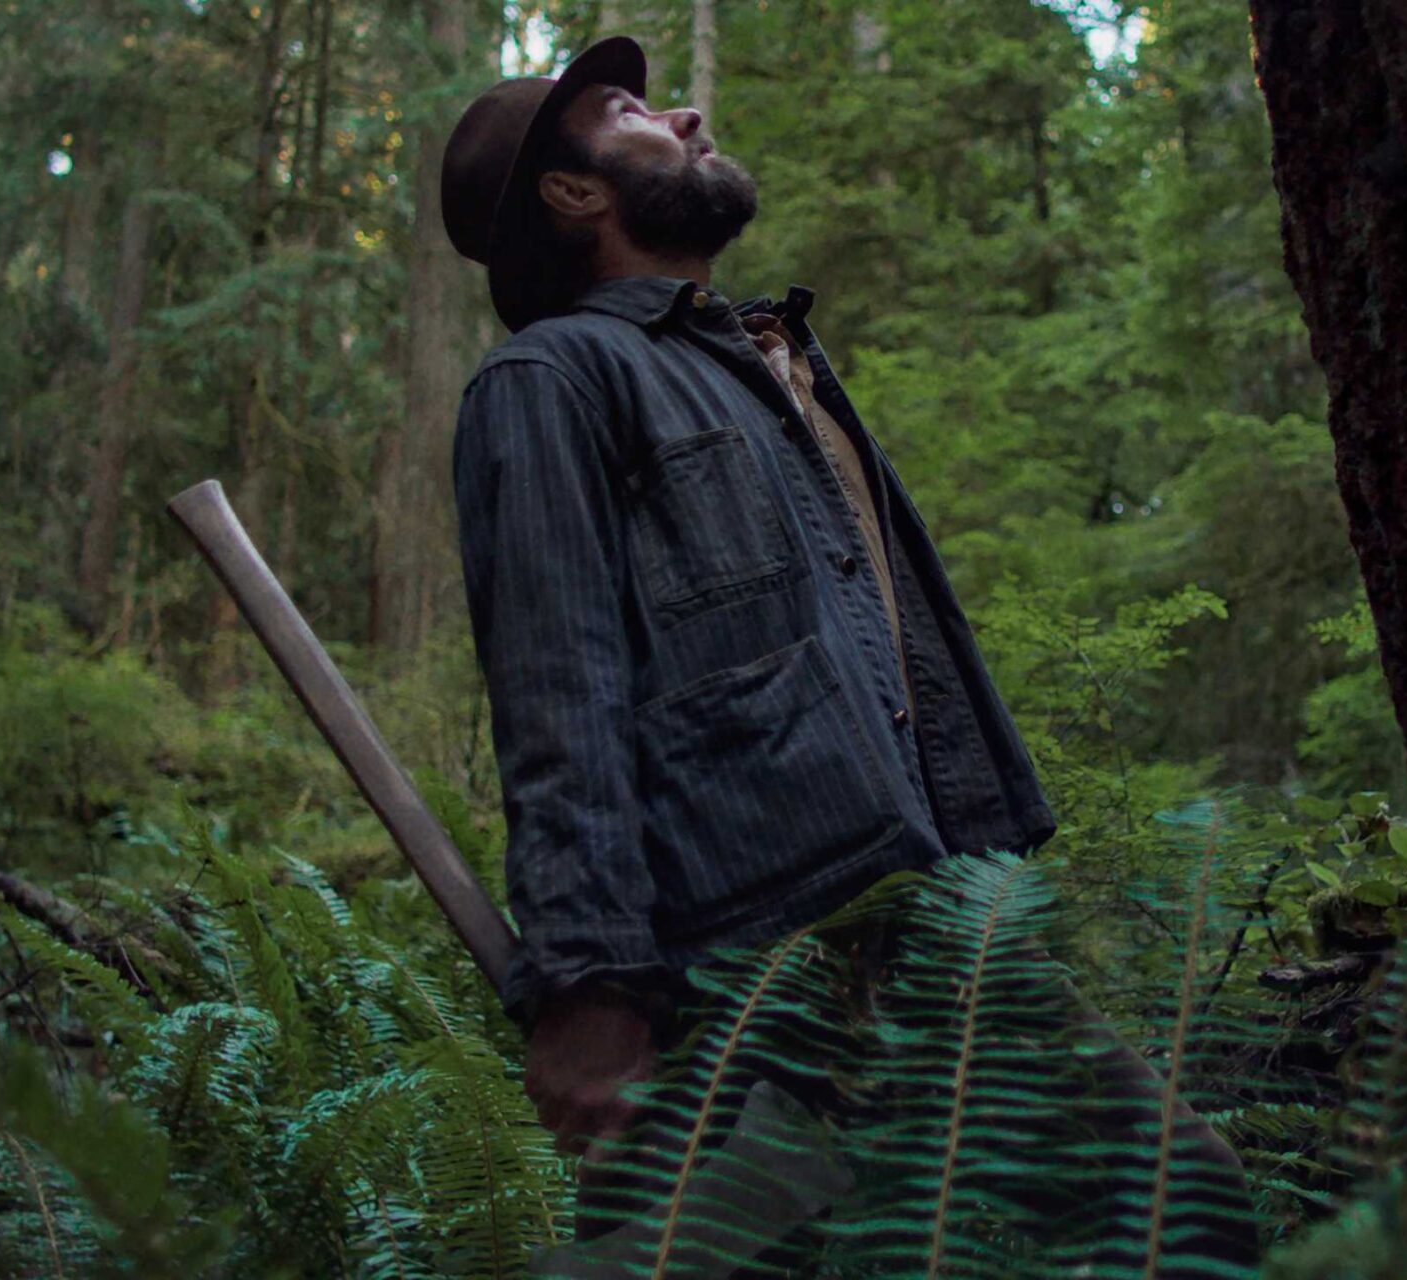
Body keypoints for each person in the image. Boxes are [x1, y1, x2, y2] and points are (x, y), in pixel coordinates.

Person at [438, 37, 1257, 1270]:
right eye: (633, 112)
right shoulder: (552, 377)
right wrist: (590, 988)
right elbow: (559, 694)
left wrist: (981, 877)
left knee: (1176, 1203)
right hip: (751, 969)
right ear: (572, 192)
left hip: (916, 930)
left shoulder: (762, 366)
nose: (689, 109)